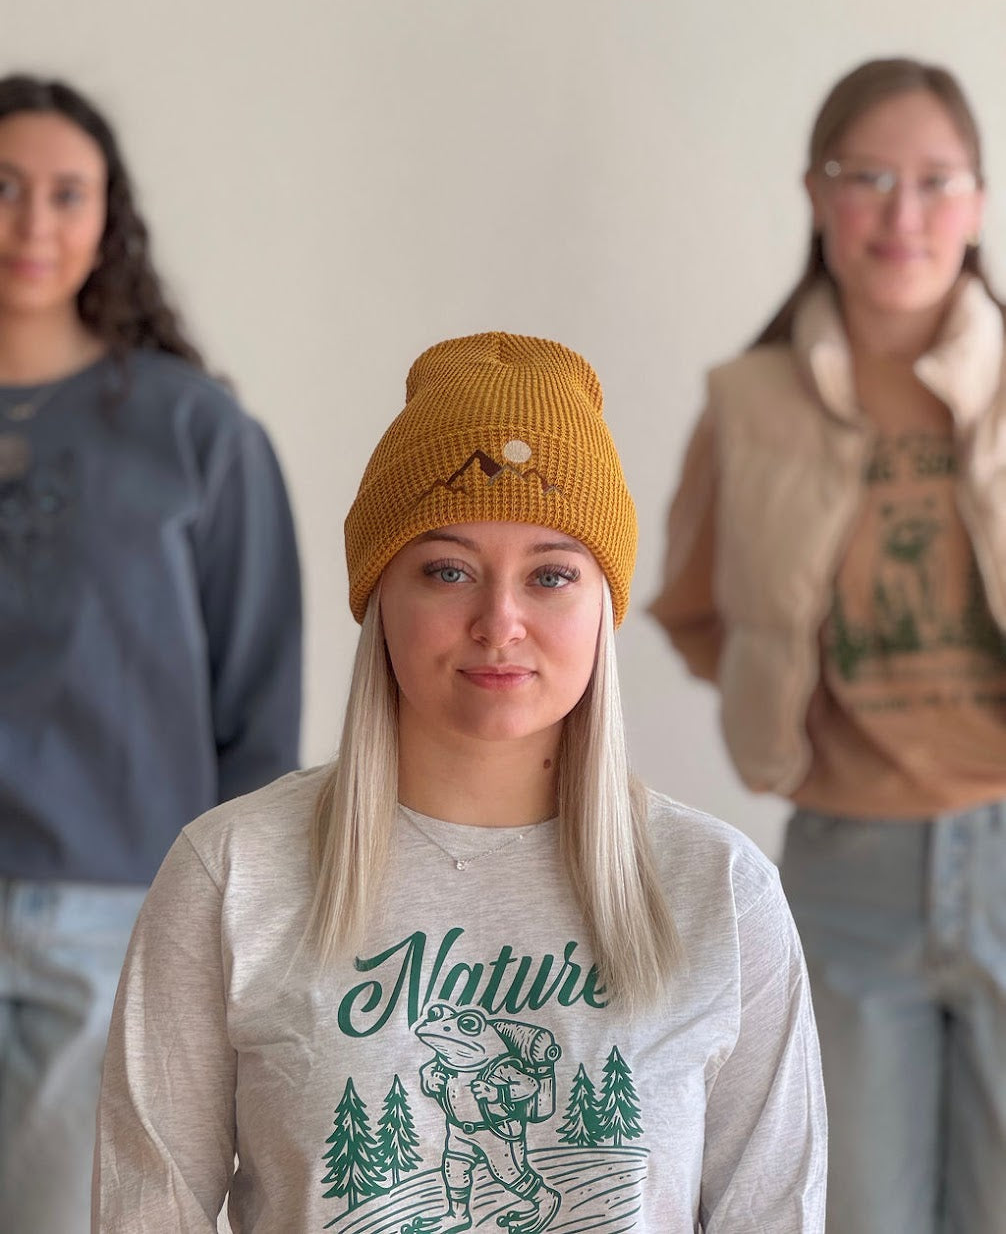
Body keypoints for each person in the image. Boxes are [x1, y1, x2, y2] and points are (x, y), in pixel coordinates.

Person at [94, 330, 826, 1234]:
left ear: (603, 606)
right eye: (448, 570)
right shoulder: (232, 872)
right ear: (380, 596)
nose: (499, 622)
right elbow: (145, 1212)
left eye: (552, 575)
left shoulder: (720, 892)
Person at [650, 57, 1006, 1234]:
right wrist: (798, 704)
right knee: (851, 1211)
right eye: (867, 178)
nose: (902, 216)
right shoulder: (750, 405)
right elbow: (694, 608)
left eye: (935, 182)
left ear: (978, 201)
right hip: (846, 868)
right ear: (815, 192)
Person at [0, 74, 302, 1234]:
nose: (34, 222)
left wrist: (236, 935)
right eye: (6, 187)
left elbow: (259, 694)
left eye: (66, 193)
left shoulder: (194, 431)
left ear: (107, 216)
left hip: (118, 915)